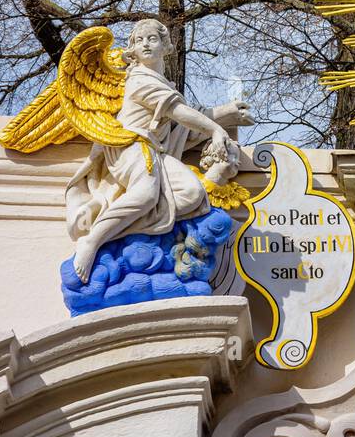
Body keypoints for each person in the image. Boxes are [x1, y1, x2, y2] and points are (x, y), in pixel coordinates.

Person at [64, 19, 252, 281]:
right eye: (139, 41)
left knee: (192, 194)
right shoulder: (138, 79)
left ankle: (123, 232)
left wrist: (224, 115)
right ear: (132, 50)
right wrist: (216, 128)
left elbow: (181, 127)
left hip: (155, 152)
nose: (145, 44)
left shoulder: (161, 83)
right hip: (130, 146)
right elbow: (179, 114)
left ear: (166, 46)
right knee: (145, 195)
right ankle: (93, 241)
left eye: (152, 39)